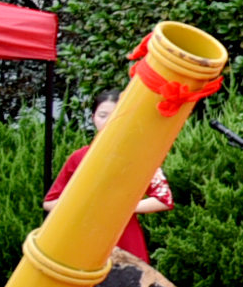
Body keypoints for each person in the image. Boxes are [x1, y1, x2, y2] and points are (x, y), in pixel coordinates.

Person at [44, 93, 172, 261]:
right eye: (102, 115)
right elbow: (50, 202)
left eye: (116, 115)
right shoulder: (79, 157)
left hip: (125, 239)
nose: (108, 121)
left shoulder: (140, 155)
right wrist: (83, 205)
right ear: (93, 118)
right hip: (83, 239)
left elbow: (164, 199)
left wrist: (122, 207)